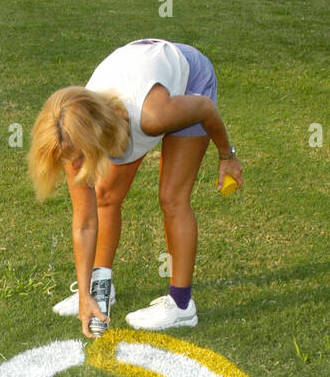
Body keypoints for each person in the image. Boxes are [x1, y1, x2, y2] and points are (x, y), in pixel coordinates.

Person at [28, 39, 241, 338]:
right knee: (104, 196)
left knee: (172, 199)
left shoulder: (153, 116)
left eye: (77, 155)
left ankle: (181, 307)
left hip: (188, 82)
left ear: (97, 137)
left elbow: (204, 109)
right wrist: (85, 295)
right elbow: (85, 222)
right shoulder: (69, 132)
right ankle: (101, 289)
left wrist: (226, 156)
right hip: (140, 82)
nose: (72, 164)